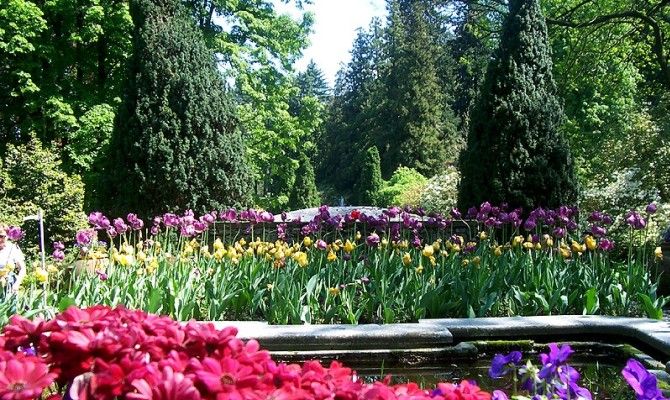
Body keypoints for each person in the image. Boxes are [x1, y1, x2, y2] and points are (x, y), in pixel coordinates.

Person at [0, 225, 26, 294]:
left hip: (9, 286)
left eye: (2, 236)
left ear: (7, 236)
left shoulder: (12, 248)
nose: (0, 239)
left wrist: (17, 284)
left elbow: (23, 269)